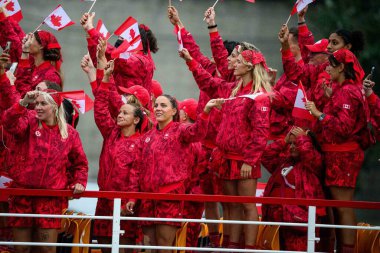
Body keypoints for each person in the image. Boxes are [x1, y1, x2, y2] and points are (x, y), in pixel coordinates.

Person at [180, 48, 271, 249]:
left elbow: (260, 132)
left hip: (244, 159)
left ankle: (248, 247)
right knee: (231, 205)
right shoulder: (232, 89)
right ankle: (231, 245)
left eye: (237, 61)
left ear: (249, 66)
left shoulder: (259, 96)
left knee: (247, 205)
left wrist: (250, 160)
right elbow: (208, 83)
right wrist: (190, 61)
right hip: (226, 157)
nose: (233, 64)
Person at [126, 94, 223, 253]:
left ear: (173, 111)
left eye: (163, 106)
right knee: (150, 246)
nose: (158, 108)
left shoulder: (181, 130)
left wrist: (205, 112)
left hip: (170, 198)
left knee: (164, 246)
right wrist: (132, 196)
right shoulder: (148, 137)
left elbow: (198, 132)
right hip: (148, 199)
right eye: (156, 105)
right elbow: (137, 168)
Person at [2, 89, 88, 253]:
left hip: (50, 200)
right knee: (22, 248)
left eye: (43, 103)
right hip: (22, 196)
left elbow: (80, 164)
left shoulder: (70, 134)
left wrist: (79, 182)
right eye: (37, 103)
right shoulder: (27, 121)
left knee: (46, 248)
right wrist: (23, 103)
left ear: (55, 107)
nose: (38, 107)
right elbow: (8, 122)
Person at [305, 49, 369, 253]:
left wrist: (319, 114)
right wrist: (331, 98)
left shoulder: (348, 91)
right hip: (336, 155)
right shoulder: (342, 89)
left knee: (343, 206)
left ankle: (347, 249)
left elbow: (343, 128)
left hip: (344, 157)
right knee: (337, 207)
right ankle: (341, 248)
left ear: (342, 67)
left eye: (331, 65)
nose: (327, 68)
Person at [94, 61, 144, 253]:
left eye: (125, 113)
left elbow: (137, 174)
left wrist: (129, 200)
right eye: (119, 112)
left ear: (137, 119)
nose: (119, 115)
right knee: (105, 246)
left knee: (124, 248)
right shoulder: (111, 133)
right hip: (104, 201)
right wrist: (105, 79)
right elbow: (100, 109)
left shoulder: (141, 142)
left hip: (125, 205)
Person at [261, 127, 325, 251]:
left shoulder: (312, 165)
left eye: (296, 143)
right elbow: (266, 156)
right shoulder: (284, 162)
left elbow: (309, 155)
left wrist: (302, 138)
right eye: (291, 144)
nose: (292, 147)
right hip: (277, 222)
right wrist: (284, 141)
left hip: (298, 224)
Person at [16, 30, 63, 97]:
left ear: (41, 46)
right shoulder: (33, 65)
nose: (27, 42)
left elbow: (29, 99)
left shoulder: (51, 76)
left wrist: (25, 51)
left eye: (31, 39)